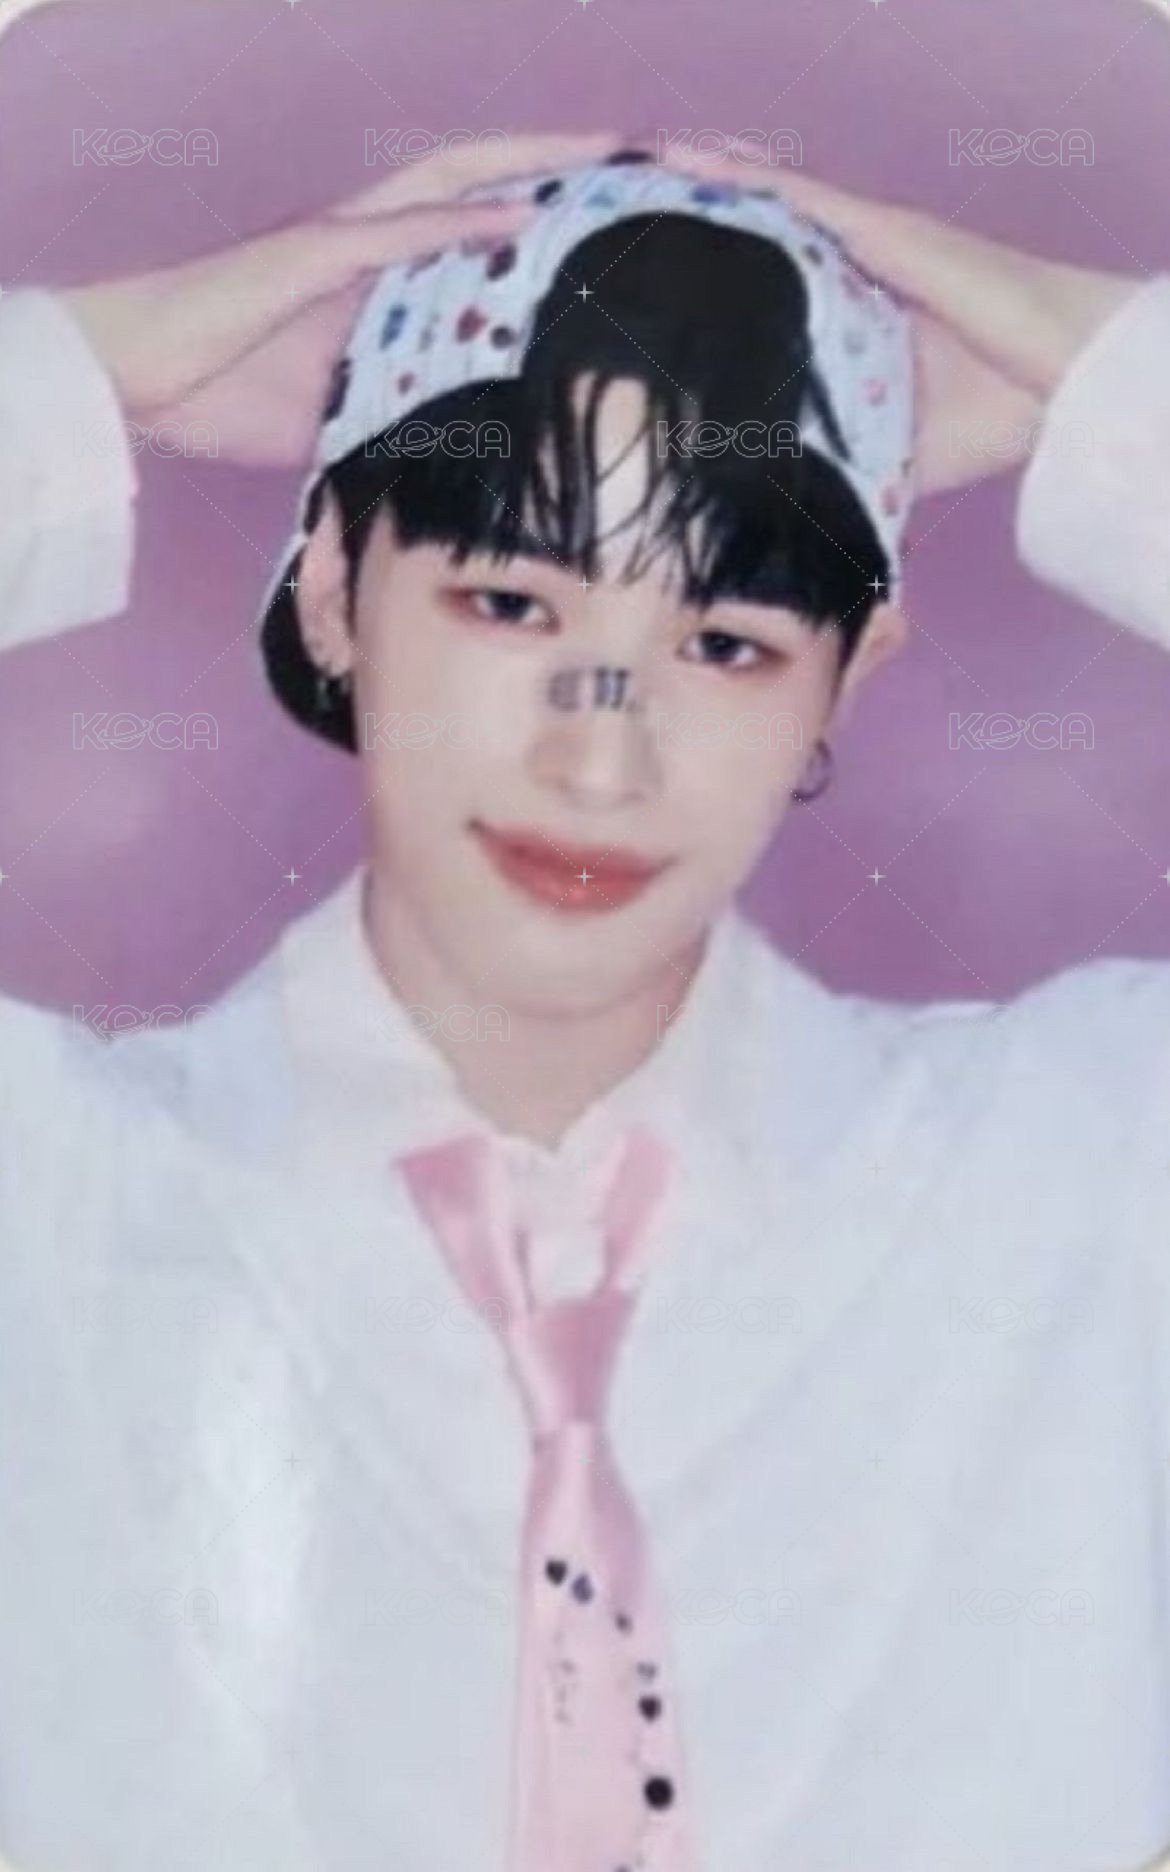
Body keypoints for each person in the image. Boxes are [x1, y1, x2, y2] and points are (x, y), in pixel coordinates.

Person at [1, 130, 1169, 1872]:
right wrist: (70, 394)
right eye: (506, 600)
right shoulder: (47, 1202)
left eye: (726, 643)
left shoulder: (1091, 1172)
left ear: (849, 674)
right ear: (330, 587)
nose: (599, 757)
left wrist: (1119, 390)